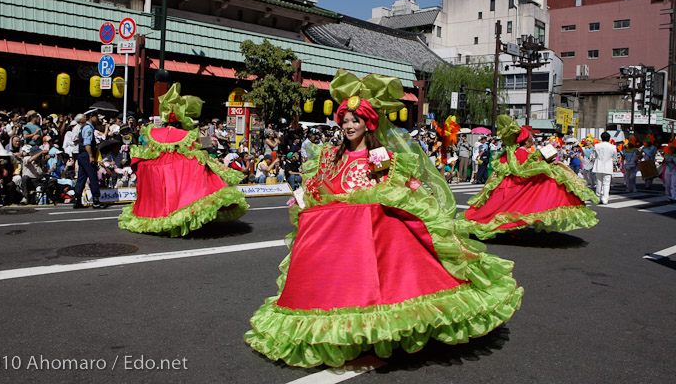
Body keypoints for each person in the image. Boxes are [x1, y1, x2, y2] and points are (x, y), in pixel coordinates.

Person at [245, 70, 523, 368]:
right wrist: (302, 198)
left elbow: (398, 186)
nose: (349, 126)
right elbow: (318, 187)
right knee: (338, 291)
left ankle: (378, 337)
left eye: (356, 121)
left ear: (368, 123)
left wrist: (414, 195)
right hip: (333, 235)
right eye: (345, 121)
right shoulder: (329, 156)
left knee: (376, 290)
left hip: (370, 234)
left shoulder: (379, 155)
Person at [118, 83, 248, 237]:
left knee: (165, 196)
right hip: (177, 170)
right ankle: (181, 218)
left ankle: (161, 219)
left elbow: (148, 152)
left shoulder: (155, 132)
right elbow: (202, 147)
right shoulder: (186, 134)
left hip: (156, 169)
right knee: (188, 185)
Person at [456, 115, 599, 239]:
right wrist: (544, 162)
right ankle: (506, 229)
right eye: (531, 139)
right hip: (515, 185)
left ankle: (512, 230)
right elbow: (525, 169)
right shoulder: (522, 152)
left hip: (511, 185)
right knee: (509, 209)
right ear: (525, 141)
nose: (533, 141)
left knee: (506, 209)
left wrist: (542, 160)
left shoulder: (517, 152)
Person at [73, 111, 103, 209]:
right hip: (86, 155)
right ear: (91, 117)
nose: (97, 119)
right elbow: (87, 144)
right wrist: (91, 156)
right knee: (93, 176)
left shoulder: (84, 127)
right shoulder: (88, 128)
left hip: (81, 155)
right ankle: (96, 200)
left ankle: (77, 199)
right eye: (96, 117)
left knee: (81, 177)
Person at [592, 131, 619, 205]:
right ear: (609, 138)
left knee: (598, 183)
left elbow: (594, 156)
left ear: (601, 138)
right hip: (608, 166)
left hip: (598, 165)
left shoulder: (597, 146)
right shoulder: (613, 147)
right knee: (606, 183)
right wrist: (614, 163)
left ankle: (598, 197)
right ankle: (605, 199)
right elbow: (615, 157)